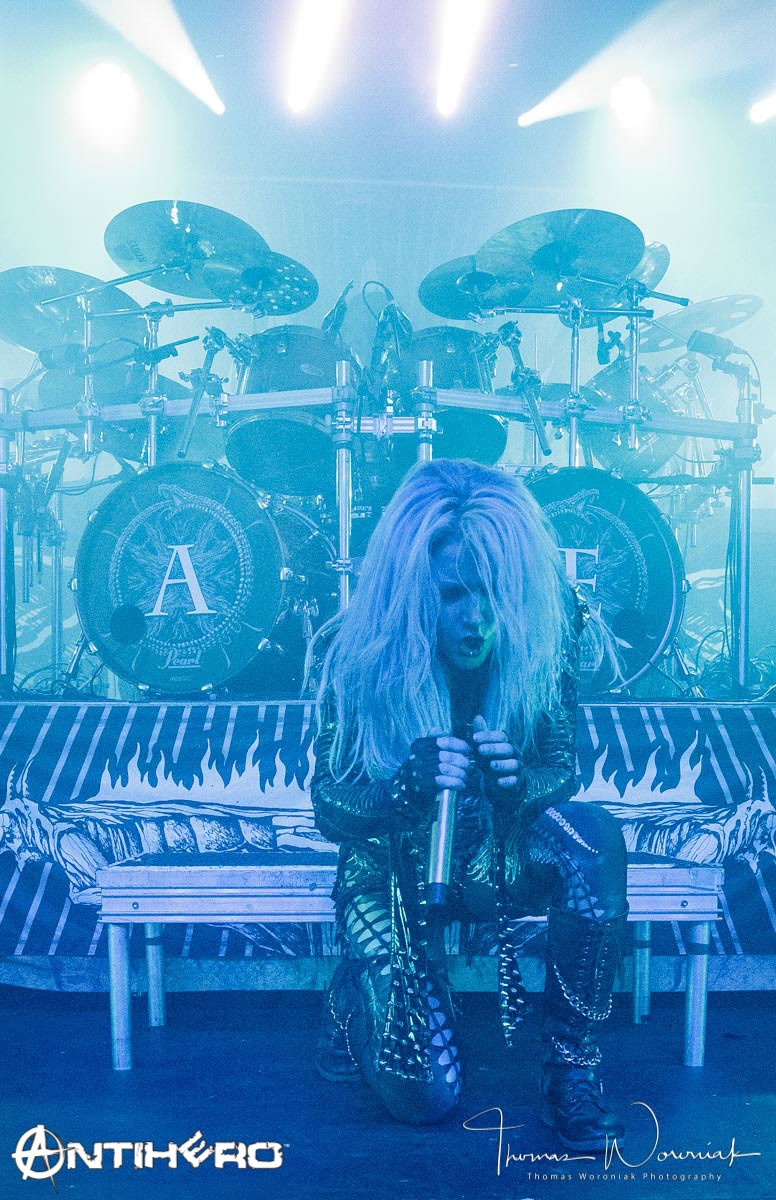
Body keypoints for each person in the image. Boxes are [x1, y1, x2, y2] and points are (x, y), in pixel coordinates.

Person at [309, 458, 628, 1151]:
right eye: (452, 593)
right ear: (411, 590)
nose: (477, 617)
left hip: (494, 852)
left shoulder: (550, 627)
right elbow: (328, 806)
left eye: (492, 590)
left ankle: (572, 1071)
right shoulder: (351, 647)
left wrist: (516, 786)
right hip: (390, 871)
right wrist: (403, 789)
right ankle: (355, 1000)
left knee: (594, 838)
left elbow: (560, 768)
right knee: (424, 1097)